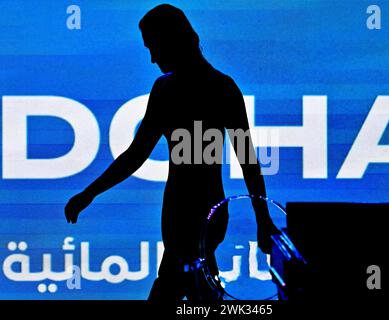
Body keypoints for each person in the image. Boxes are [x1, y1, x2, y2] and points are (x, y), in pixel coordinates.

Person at [64, 4, 278, 301]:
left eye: (154, 47)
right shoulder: (223, 87)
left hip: (185, 212)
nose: (152, 58)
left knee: (174, 284)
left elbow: (136, 155)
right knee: (199, 286)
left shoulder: (169, 89)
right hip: (208, 211)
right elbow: (248, 160)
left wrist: (89, 193)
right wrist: (262, 219)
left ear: (171, 41)